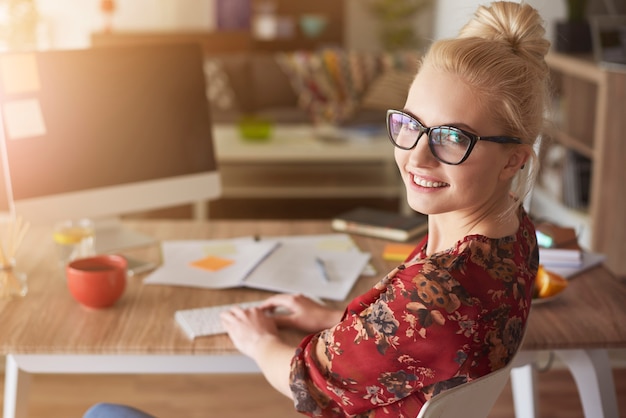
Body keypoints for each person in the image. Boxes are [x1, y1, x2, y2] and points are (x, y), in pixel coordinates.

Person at [83, 1, 549, 417]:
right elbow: (426, 344)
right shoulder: (513, 238)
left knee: (104, 412)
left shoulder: (435, 293)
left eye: (452, 138)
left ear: (514, 158)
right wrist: (335, 318)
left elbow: (306, 382)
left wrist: (258, 339)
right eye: (411, 125)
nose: (416, 156)